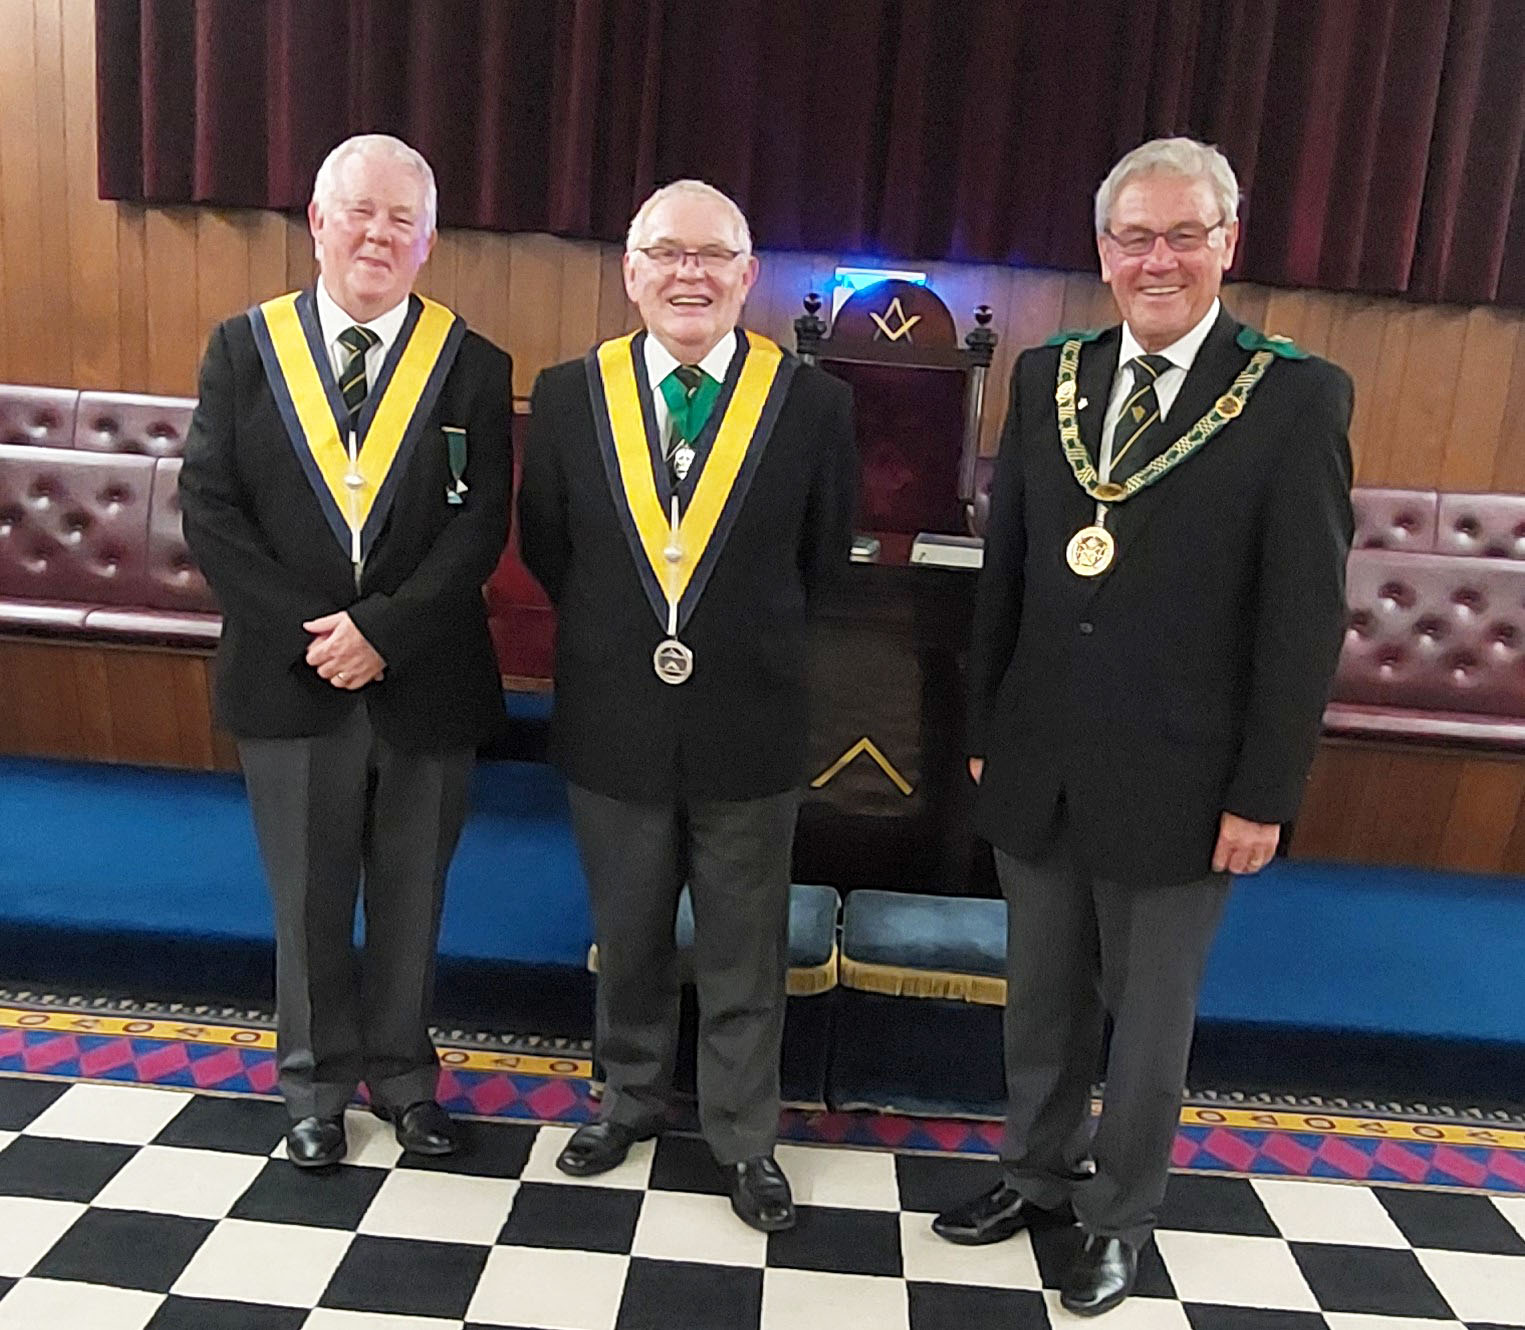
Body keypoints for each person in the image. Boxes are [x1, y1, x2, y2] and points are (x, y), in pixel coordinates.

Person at [934, 137, 1353, 1315]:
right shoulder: (1046, 376)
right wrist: (986, 725)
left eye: (1182, 235)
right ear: (1101, 249)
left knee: (1149, 1022)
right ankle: (1034, 1171)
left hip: (1185, 781)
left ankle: (1119, 1218)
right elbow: (1006, 569)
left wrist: (1265, 790)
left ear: (1227, 244)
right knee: (1040, 998)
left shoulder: (1292, 395)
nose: (1155, 259)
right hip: (1039, 759)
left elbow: (1300, 618)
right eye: (1133, 236)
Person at [517, 179, 856, 1232]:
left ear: (749, 276)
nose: (689, 274)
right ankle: (626, 1098)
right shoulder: (572, 394)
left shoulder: (812, 404)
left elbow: (824, 563)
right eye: (666, 253)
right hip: (615, 713)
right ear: (631, 271)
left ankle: (744, 1135)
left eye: (714, 256)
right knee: (627, 931)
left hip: (748, 722)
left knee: (743, 944)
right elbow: (548, 548)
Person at [179, 133, 512, 1168]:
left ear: (429, 242)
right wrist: (320, 635)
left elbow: (480, 526)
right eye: (359, 211)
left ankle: (407, 1080)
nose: (378, 233)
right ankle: (315, 1086)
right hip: (294, 675)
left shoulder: (470, 363)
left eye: (401, 219)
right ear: (317, 222)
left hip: (426, 676)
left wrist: (385, 630)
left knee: (414, 895)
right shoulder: (244, 348)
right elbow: (211, 508)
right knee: (308, 894)